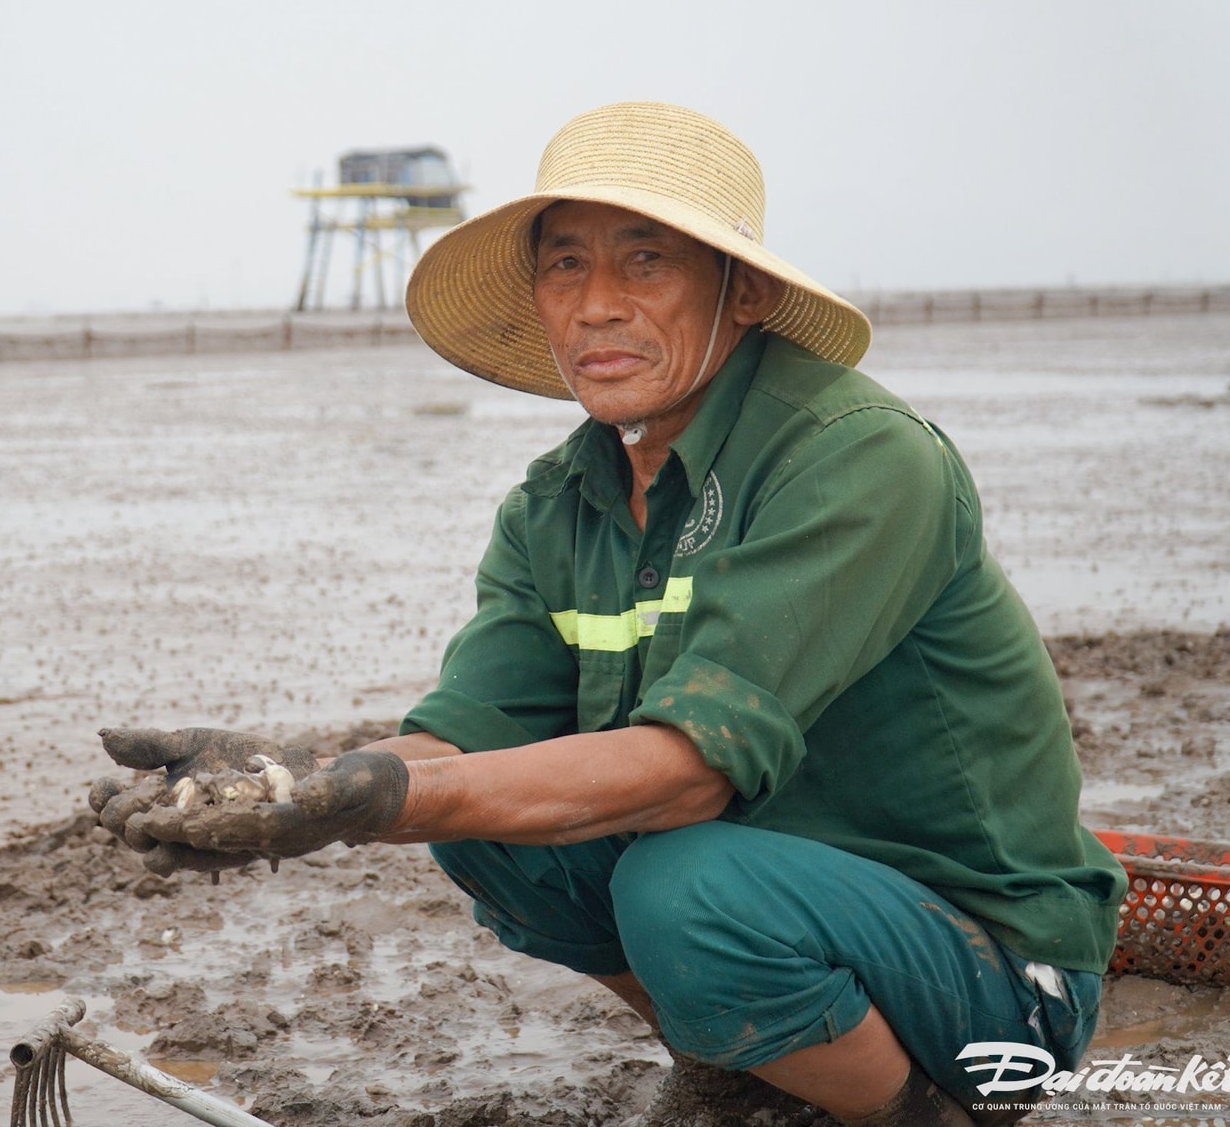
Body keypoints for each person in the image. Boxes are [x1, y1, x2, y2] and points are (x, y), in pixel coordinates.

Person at [91, 102, 1126, 1126]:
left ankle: (914, 1112)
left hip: (992, 966)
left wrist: (371, 800)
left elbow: (689, 770)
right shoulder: (557, 504)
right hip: (778, 888)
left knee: (681, 886)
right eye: (565, 266)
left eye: (645, 263)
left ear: (746, 289)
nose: (596, 305)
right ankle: (737, 1073)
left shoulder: (855, 455)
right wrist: (297, 784)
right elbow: (459, 736)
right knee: (483, 823)